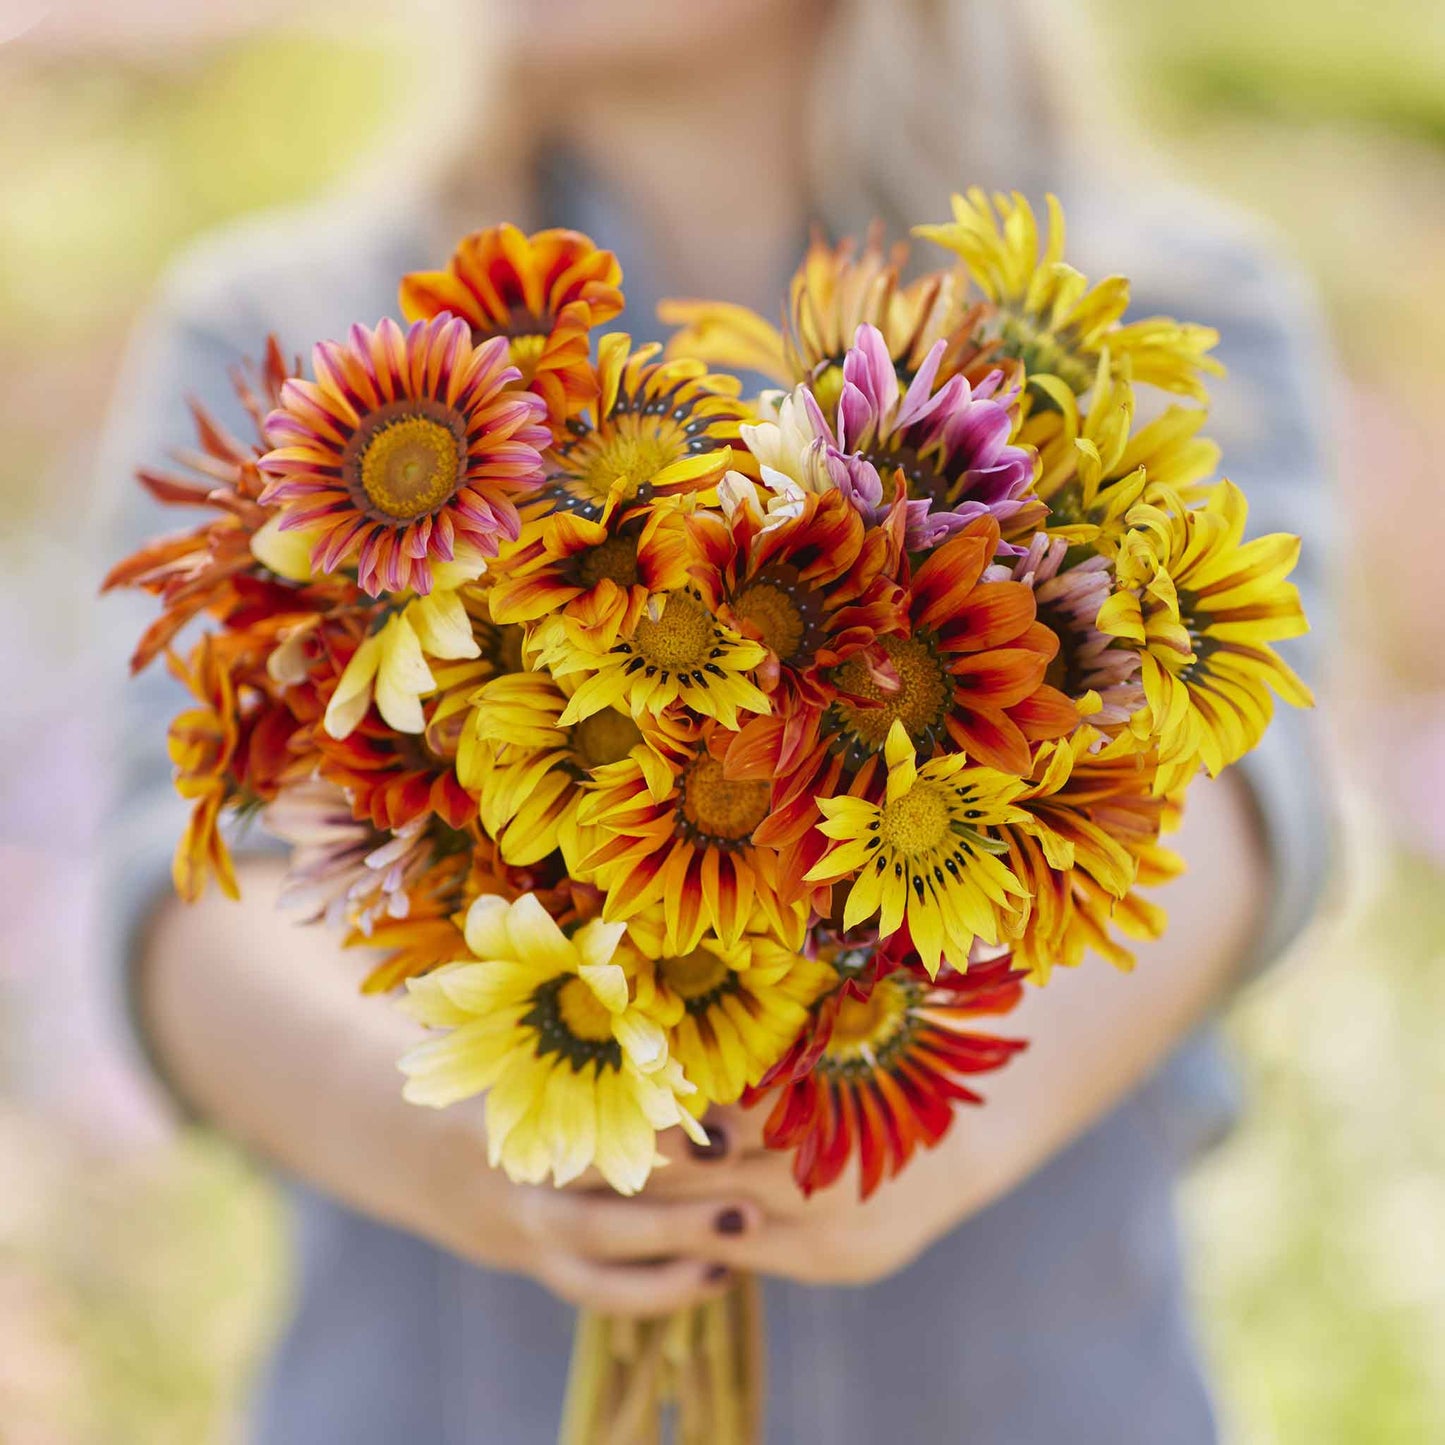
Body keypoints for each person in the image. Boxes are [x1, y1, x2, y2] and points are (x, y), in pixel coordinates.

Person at [96, 0, 1333, 1439]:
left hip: (1010, 1384)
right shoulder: (295, 329)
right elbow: (188, 877)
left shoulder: (1151, 304)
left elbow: (1238, 797)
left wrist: (940, 1120)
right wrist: (465, 1130)